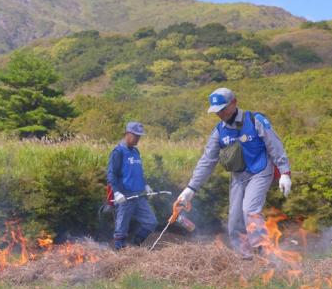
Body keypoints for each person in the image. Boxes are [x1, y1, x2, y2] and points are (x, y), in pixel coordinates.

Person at [175, 88, 292, 259]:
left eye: (223, 109)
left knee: (250, 210)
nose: (220, 114)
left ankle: (264, 253)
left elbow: (274, 145)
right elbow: (207, 161)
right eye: (216, 111)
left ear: (234, 103)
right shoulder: (219, 131)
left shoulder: (254, 120)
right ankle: (246, 258)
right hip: (238, 177)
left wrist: (285, 172)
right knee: (235, 221)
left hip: (260, 171)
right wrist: (191, 188)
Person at [107, 122, 158, 250]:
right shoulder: (118, 152)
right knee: (121, 229)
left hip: (139, 195)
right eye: (136, 136)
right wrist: (117, 192)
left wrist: (146, 185)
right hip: (125, 196)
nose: (138, 139)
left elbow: (138, 171)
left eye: (139, 136)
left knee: (151, 222)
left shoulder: (136, 151)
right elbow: (111, 174)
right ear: (128, 134)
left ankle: (136, 245)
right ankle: (119, 253)